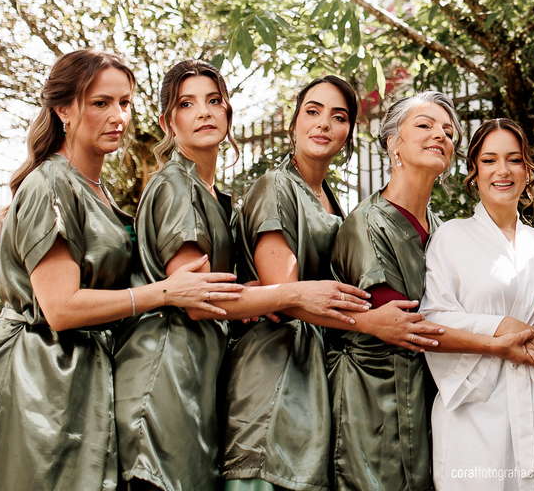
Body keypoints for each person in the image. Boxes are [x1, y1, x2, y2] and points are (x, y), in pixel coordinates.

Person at [0, 50, 244, 491]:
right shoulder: (50, 183)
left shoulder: (97, 189)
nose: (118, 117)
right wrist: (165, 293)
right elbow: (60, 308)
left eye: (125, 103)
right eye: (101, 103)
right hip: (35, 375)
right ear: (64, 110)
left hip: (85, 374)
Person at [114, 60, 369, 491]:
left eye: (214, 101)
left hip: (199, 374)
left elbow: (215, 286)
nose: (204, 112)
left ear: (228, 112)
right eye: (187, 104)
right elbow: (198, 300)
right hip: (163, 372)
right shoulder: (177, 185)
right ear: (167, 122)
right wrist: (290, 294)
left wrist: (248, 288)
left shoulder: (217, 196)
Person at [221, 77, 446, 491]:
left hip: (315, 370)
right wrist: (369, 322)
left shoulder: (331, 202)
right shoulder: (275, 187)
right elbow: (287, 295)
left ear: (348, 134)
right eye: (312, 111)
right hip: (273, 368)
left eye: (338, 117)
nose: (324, 123)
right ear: (293, 124)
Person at [330, 92, 534, 491]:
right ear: (393, 143)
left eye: (449, 132)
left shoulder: (439, 228)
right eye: (425, 125)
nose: (440, 134)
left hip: (427, 397)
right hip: (376, 397)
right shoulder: (369, 225)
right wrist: (499, 340)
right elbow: (406, 327)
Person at [421, 119, 534, 491]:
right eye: (489, 160)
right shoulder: (450, 237)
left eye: (514, 159)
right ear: (474, 172)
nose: (503, 170)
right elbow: (433, 318)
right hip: (477, 407)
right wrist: (501, 326)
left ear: (528, 170)